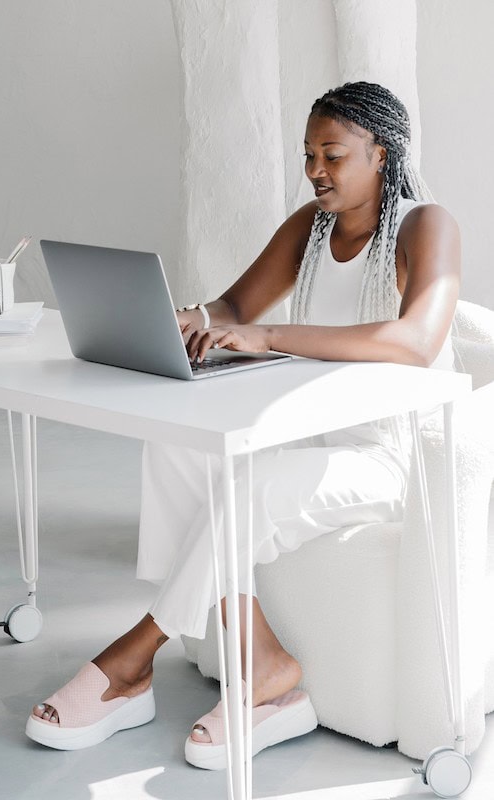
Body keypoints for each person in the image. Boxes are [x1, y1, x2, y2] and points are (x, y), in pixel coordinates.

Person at [26, 81, 460, 766]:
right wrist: (192, 322)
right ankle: (264, 669)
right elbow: (232, 305)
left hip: (388, 458)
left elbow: (418, 342)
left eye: (332, 154)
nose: (315, 170)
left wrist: (271, 336)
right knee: (173, 448)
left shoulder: (422, 224)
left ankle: (131, 658)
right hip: (311, 431)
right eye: (308, 154)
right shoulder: (308, 227)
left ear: (380, 153)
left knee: (245, 489)